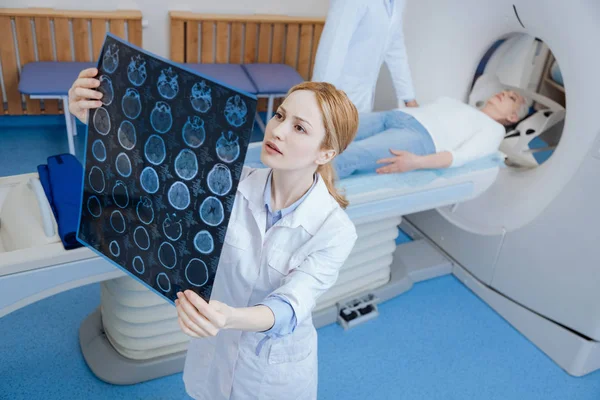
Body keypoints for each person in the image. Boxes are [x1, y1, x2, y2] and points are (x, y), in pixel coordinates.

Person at [68, 68, 360, 400]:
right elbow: (154, 166)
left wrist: (228, 316)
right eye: (280, 115)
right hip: (213, 348)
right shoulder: (228, 184)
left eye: (298, 128)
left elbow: (291, 306)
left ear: (325, 153)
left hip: (271, 372)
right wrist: (96, 116)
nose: (277, 130)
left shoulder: (335, 230)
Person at [245, 89, 528, 178]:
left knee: (350, 154)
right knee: (328, 130)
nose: (504, 93)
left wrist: (415, 162)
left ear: (512, 117)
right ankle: (248, 164)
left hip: (419, 140)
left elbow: (459, 156)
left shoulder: (494, 130)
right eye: (505, 91)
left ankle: (258, 178)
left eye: (511, 98)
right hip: (396, 116)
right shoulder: (459, 103)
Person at [311, 0, 418, 113]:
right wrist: (320, 101)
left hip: (364, 95)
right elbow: (331, 50)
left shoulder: (397, 3)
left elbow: (396, 47)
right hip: (337, 92)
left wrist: (409, 98)